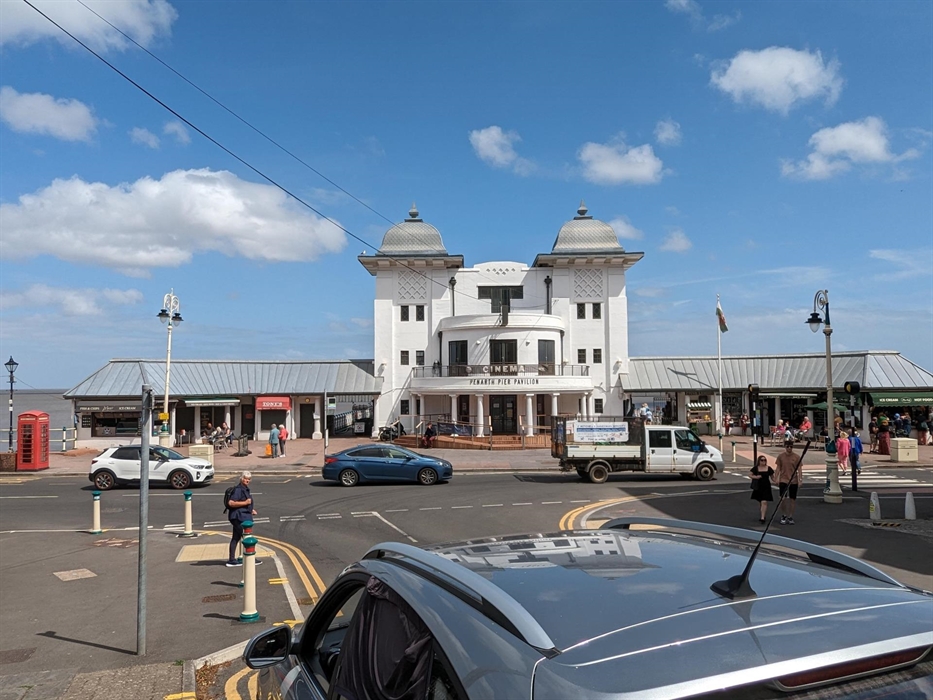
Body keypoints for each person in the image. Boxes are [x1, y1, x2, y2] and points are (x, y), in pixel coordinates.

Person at [227, 471, 260, 567]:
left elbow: (243, 503)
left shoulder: (245, 489)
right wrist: (246, 503)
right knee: (247, 538)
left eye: (249, 479)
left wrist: (251, 510)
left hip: (241, 516)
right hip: (238, 517)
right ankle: (249, 558)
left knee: (236, 538)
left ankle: (232, 560)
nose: (247, 480)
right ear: (241, 478)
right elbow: (231, 503)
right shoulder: (238, 490)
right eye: (245, 478)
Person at [775, 443, 802, 525]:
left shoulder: (796, 457)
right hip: (783, 479)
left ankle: (790, 516)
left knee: (792, 499)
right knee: (782, 498)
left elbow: (799, 468)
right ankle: (783, 515)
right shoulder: (781, 456)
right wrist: (776, 478)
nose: (789, 448)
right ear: (785, 447)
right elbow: (778, 467)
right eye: (788, 447)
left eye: (791, 447)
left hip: (793, 480)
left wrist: (800, 479)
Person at [749, 456, 774, 524]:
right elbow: (750, 474)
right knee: (761, 502)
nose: (763, 462)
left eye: (764, 460)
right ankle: (763, 514)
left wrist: (777, 481)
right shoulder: (756, 468)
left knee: (764, 502)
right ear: (759, 461)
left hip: (766, 487)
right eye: (762, 460)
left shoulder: (768, 468)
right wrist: (756, 477)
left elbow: (772, 477)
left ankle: (762, 518)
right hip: (759, 487)